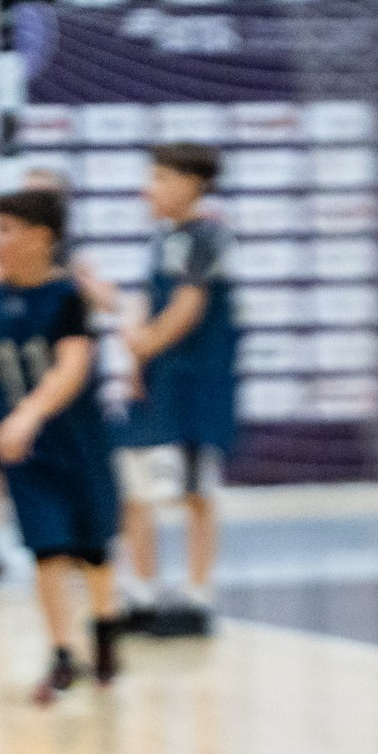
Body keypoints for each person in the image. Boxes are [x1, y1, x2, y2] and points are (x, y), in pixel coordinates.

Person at [0, 188, 122, 704]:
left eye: (7, 229)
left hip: (77, 443)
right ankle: (63, 653)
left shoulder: (67, 297)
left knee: (94, 549)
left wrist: (28, 415)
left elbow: (72, 367)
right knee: (46, 549)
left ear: (42, 238)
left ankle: (106, 629)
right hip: (27, 452)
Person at [112, 142, 236, 637]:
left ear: (191, 183)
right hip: (159, 386)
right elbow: (146, 302)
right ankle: (141, 594)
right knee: (135, 486)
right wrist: (136, 361)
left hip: (192, 389)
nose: (149, 189)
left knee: (192, 490)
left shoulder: (207, 236)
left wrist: (142, 343)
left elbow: (187, 309)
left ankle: (197, 598)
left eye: (160, 178)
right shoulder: (164, 239)